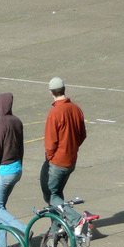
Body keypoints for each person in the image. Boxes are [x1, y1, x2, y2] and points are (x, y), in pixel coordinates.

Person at [40, 76, 86, 227]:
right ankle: (57, 229)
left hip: (57, 162)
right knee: (57, 194)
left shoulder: (55, 112)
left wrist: (51, 157)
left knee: (50, 195)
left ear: (51, 92)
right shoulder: (75, 108)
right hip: (71, 160)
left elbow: (50, 142)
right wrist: (72, 148)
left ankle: (76, 219)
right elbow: (82, 135)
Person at [0, 92, 26, 247]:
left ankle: (23, 230)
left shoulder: (0, 123)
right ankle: (0, 244)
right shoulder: (17, 121)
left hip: (3, 171)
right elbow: (21, 147)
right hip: (16, 169)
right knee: (0, 206)